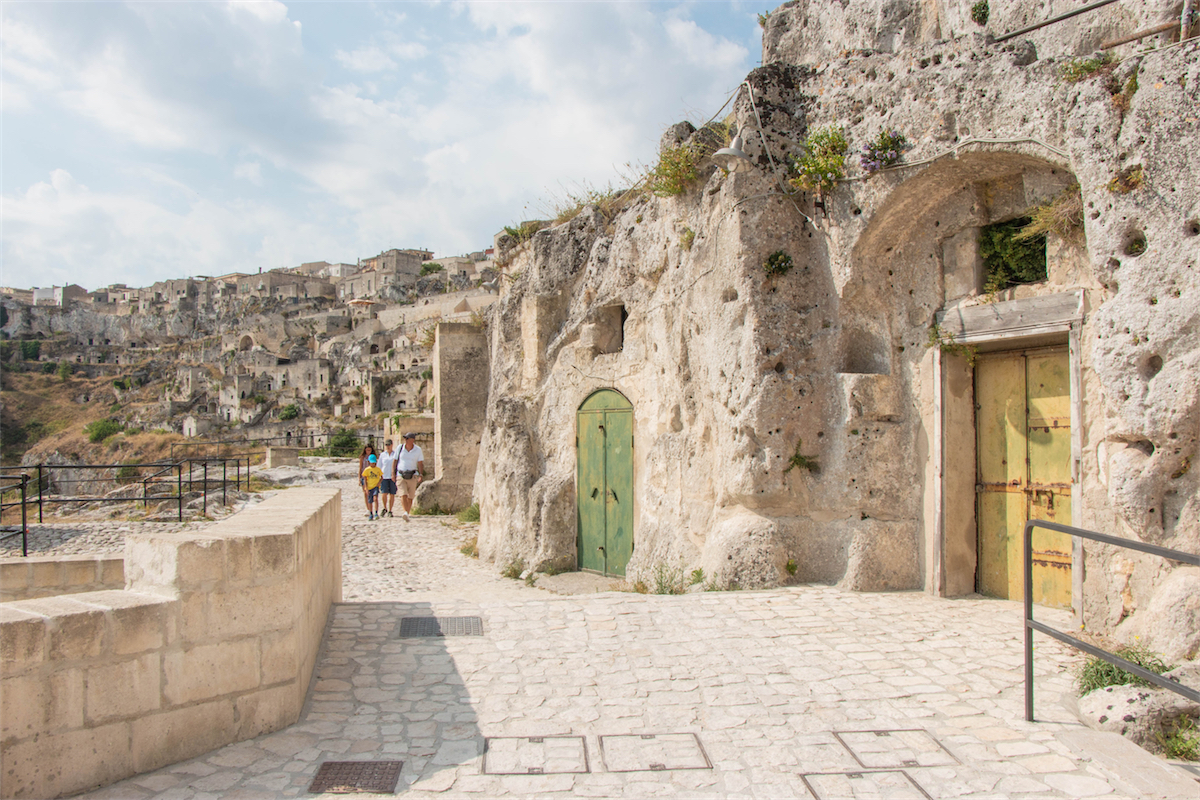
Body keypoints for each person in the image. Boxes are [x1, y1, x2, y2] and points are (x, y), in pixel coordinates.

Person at [396, 431, 425, 522]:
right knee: (403, 494)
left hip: (412, 475)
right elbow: (395, 460)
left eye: (407, 438)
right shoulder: (400, 448)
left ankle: (407, 513)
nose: (405, 440)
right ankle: (405, 512)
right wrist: (393, 473)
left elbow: (420, 463)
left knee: (410, 496)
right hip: (401, 474)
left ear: (412, 440)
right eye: (405, 438)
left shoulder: (418, 450)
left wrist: (421, 474)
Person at [377, 438, 399, 518]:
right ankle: (384, 507)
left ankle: (390, 510)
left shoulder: (395, 454)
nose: (387, 446)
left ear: (392, 445)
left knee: (392, 494)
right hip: (384, 476)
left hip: (392, 476)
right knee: (384, 493)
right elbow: (379, 466)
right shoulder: (382, 455)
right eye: (386, 445)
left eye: (389, 445)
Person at [361, 454, 383, 521]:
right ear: (369, 462)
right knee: (370, 501)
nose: (373, 464)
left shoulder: (378, 469)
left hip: (375, 486)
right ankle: (371, 513)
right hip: (369, 487)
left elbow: (381, 477)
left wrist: (379, 483)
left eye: (374, 462)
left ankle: (376, 512)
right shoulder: (367, 470)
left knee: (375, 498)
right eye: (371, 462)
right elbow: (364, 478)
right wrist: (366, 488)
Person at [357, 444, 376, 517]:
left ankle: (372, 508)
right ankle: (368, 509)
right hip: (364, 476)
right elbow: (360, 468)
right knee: (366, 492)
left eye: (369, 450)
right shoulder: (362, 457)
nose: (368, 451)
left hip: (371, 477)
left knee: (372, 493)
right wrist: (359, 478)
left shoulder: (373, 457)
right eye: (367, 450)